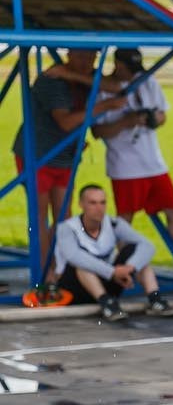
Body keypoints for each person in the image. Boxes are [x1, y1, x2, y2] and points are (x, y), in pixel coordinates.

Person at [12, 48, 118, 254]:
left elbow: (115, 87)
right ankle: (43, 274)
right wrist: (102, 107)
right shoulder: (52, 81)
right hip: (38, 154)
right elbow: (66, 123)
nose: (86, 61)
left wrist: (73, 75)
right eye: (80, 55)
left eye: (90, 56)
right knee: (39, 216)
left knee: (63, 215)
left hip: (64, 156)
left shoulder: (82, 77)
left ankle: (57, 264)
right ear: (69, 54)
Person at [92, 48, 173, 267]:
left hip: (154, 162)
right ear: (117, 64)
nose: (133, 75)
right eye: (129, 69)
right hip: (125, 165)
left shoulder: (146, 81)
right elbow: (97, 132)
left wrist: (153, 119)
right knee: (125, 220)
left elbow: (162, 114)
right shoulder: (103, 90)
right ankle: (124, 270)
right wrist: (127, 122)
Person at [50, 184, 173, 321]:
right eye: (93, 203)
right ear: (81, 204)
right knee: (82, 264)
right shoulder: (66, 228)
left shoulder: (114, 223)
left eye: (102, 203)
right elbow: (74, 256)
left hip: (109, 280)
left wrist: (130, 267)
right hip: (74, 289)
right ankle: (107, 303)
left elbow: (148, 246)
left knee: (137, 255)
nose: (99, 208)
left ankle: (155, 299)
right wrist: (112, 272)